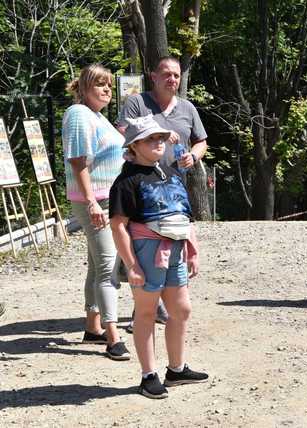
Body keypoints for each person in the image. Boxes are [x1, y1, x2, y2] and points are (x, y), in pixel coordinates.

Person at [109, 115, 208, 399]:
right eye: (151, 138)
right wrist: (132, 265)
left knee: (181, 310)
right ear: (134, 145)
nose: (158, 143)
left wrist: (193, 251)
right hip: (147, 252)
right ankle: (148, 375)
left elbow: (185, 216)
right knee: (147, 312)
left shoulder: (171, 173)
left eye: (161, 138)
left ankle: (176, 369)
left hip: (176, 250)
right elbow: (118, 225)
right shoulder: (126, 181)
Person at [116, 56, 208, 331]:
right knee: (145, 246)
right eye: (166, 74)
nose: (172, 80)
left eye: (177, 75)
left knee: (173, 243)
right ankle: (142, 309)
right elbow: (122, 130)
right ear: (153, 76)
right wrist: (159, 133)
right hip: (142, 183)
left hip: (173, 188)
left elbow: (201, 141)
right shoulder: (137, 102)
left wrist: (193, 156)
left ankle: (164, 305)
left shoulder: (187, 108)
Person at [61, 64, 130, 361]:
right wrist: (90, 202)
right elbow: (78, 162)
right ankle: (112, 337)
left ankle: (92, 325)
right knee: (107, 266)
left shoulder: (96, 116)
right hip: (95, 201)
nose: (106, 90)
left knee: (96, 263)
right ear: (85, 86)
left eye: (110, 86)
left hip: (106, 199)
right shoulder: (78, 114)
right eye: (100, 85)